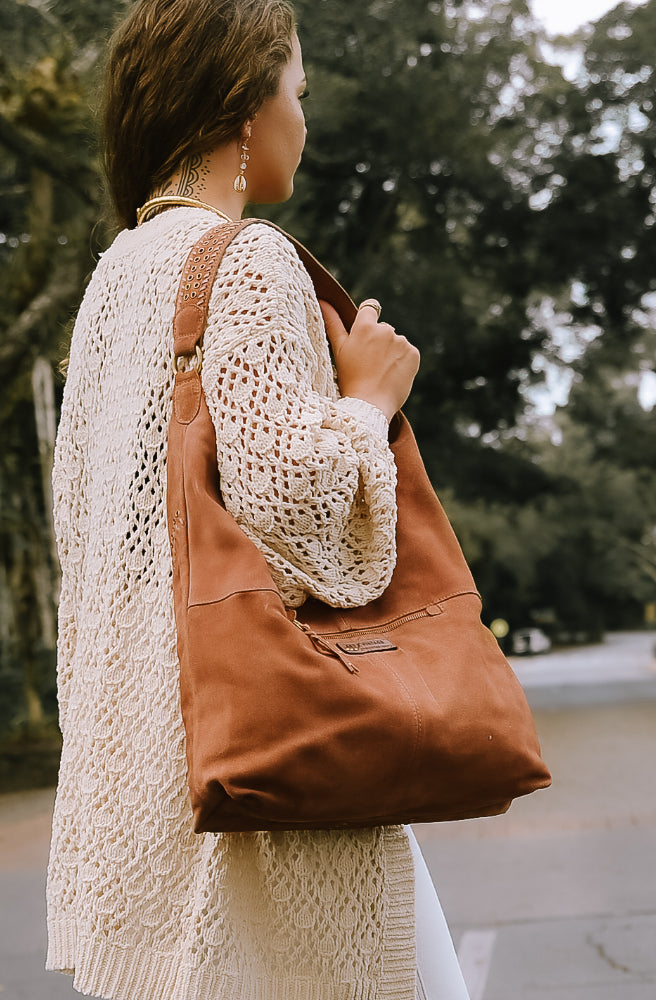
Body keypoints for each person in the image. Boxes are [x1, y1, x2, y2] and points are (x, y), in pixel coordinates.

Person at [46, 1, 471, 998]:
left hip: (142, 773)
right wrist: (368, 403)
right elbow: (295, 519)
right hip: (266, 768)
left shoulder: (113, 278)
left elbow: (89, 538)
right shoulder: (247, 257)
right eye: (297, 92)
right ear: (247, 105)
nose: (304, 119)